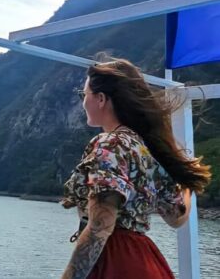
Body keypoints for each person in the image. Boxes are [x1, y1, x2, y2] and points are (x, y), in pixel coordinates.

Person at [60, 58, 211, 279]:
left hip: (114, 262)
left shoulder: (110, 144)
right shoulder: (146, 149)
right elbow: (176, 217)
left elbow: (99, 228)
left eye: (84, 95)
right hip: (144, 260)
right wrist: (186, 182)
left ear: (101, 99)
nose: (83, 102)